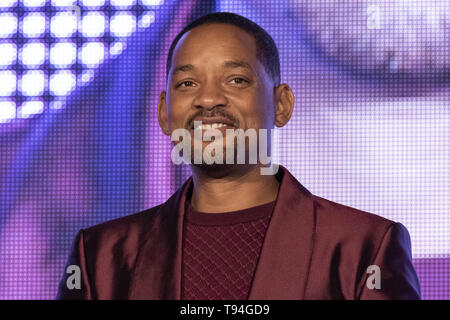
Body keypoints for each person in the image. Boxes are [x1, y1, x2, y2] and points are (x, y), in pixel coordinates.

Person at [57, 12, 421, 300]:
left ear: (281, 105)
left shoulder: (365, 247)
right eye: (187, 84)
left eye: (236, 80)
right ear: (165, 114)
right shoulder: (101, 256)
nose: (209, 99)